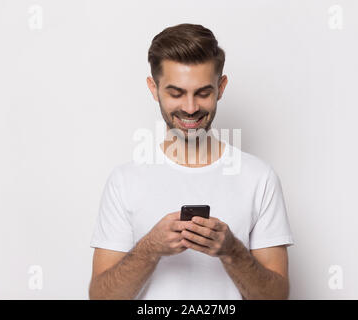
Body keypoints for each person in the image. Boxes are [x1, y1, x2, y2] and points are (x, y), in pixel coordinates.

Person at [88, 23, 294, 300]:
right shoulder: (125, 181)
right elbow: (101, 297)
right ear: (154, 88)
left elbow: (277, 297)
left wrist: (231, 251)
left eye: (203, 92)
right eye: (176, 93)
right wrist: (149, 248)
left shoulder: (259, 178)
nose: (190, 107)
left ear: (221, 88)